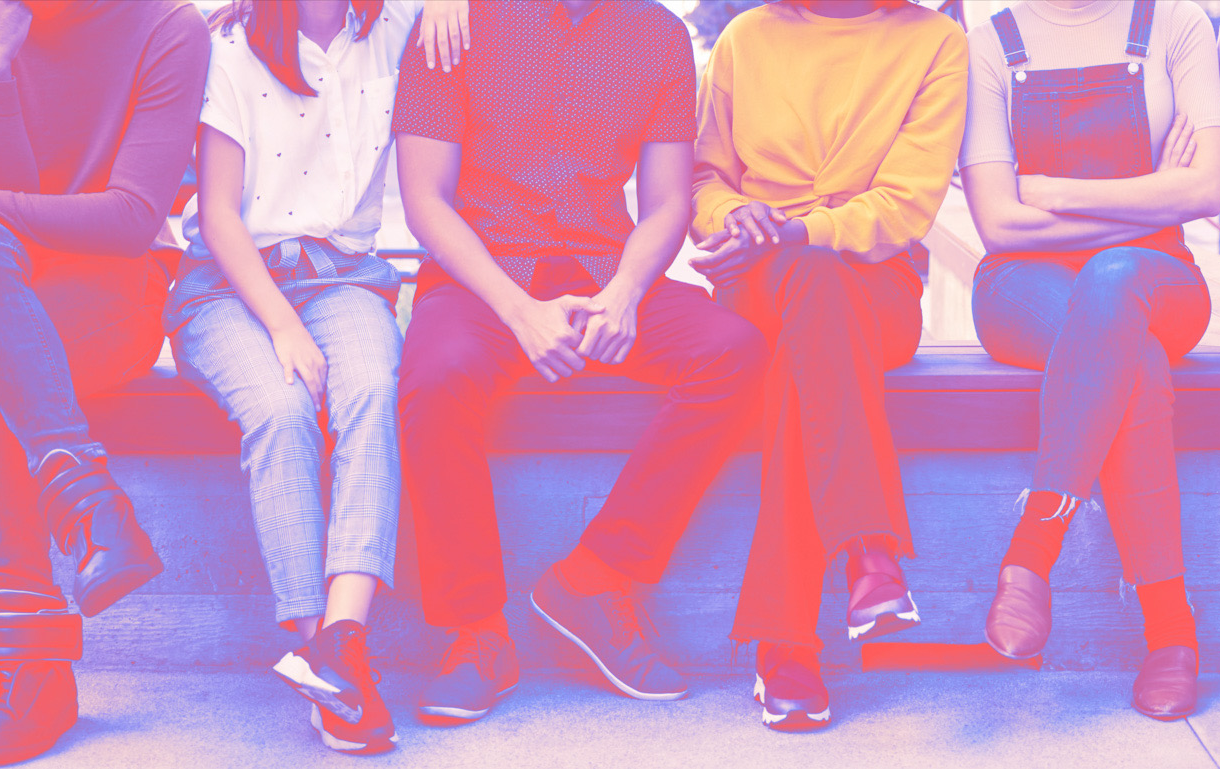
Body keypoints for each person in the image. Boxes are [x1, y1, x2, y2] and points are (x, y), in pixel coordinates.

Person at [393, 0, 767, 725]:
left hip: (604, 271)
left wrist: (626, 290)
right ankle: (476, 634)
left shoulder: (659, 35)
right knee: (435, 378)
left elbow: (665, 203)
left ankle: (596, 576)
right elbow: (424, 201)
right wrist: (517, 310)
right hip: (482, 276)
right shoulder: (453, 21)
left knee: (734, 351)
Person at [0, 1, 209, 765]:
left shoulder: (166, 27)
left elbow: (129, 217)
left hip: (114, 302)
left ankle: (29, 664)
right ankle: (89, 504)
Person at [162, 0, 468, 755]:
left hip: (345, 279)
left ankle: (340, 645)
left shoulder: (395, 31)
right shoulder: (230, 44)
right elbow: (221, 216)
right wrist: (284, 326)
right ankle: (320, 651)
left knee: (371, 390)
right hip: (226, 287)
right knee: (282, 406)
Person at [691, 0, 967, 731]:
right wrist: (737, 216)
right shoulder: (747, 38)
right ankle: (868, 554)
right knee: (807, 299)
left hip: (875, 285)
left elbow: (907, 202)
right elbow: (705, 179)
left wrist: (799, 229)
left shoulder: (935, 41)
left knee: (811, 311)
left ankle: (786, 642)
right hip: (756, 279)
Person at [959, 0, 1220, 721]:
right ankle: (1171, 630)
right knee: (1127, 353)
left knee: (1112, 284)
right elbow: (999, 219)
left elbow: (1206, 189)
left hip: (1155, 276)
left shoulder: (1178, 26)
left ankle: (1033, 548)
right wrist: (1148, 199)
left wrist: (1050, 192)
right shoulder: (989, 43)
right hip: (1022, 284)